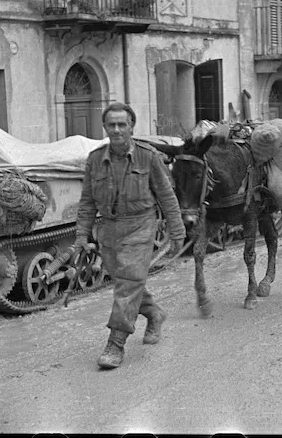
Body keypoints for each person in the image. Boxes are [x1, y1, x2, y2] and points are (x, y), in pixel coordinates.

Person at [75, 102, 186, 369]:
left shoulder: (149, 157)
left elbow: (167, 196)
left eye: (121, 124)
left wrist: (177, 229)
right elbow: (88, 201)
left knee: (128, 285)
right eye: (111, 125)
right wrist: (81, 234)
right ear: (105, 127)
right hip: (109, 231)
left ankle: (116, 344)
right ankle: (155, 313)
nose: (116, 130)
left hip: (140, 227)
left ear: (131, 126)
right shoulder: (94, 160)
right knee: (128, 283)